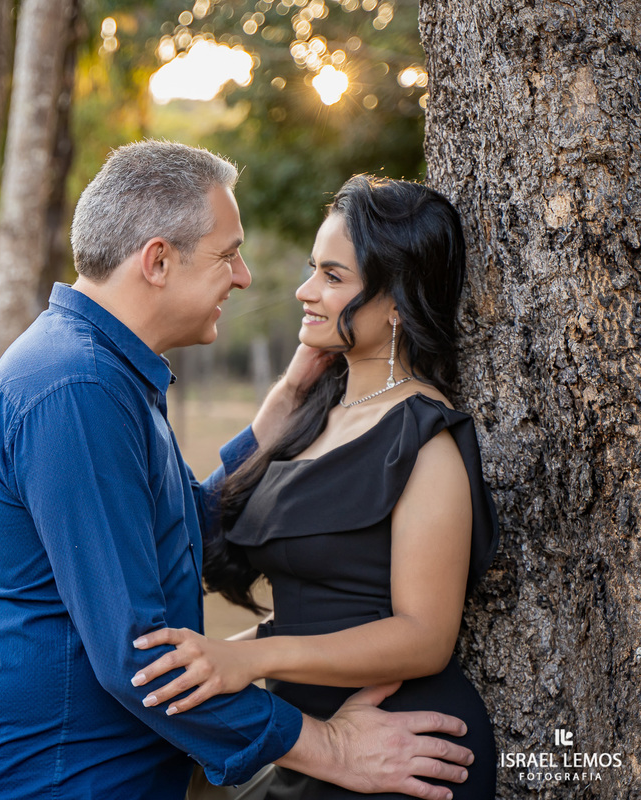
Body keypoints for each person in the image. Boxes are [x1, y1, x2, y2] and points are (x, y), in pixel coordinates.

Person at [0, 143, 476, 800]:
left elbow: (170, 540)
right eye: (228, 255)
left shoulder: (101, 372)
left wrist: (270, 422)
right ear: (158, 260)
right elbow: (140, 657)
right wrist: (329, 746)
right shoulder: (76, 390)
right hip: (60, 778)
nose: (247, 277)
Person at [131, 174, 499, 799]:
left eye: (333, 277)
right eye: (313, 270)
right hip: (315, 740)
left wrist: (250, 660)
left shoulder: (424, 440)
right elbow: (234, 549)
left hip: (403, 750)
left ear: (398, 304)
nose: (305, 291)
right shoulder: (317, 418)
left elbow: (424, 636)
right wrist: (219, 657)